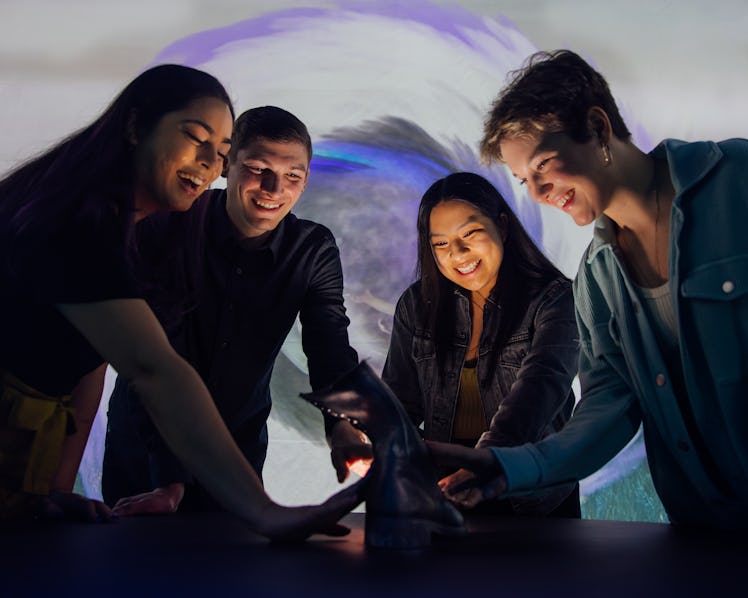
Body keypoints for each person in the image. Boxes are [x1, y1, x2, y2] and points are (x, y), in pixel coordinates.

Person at [0, 64, 362, 539]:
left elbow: (92, 367)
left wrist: (54, 491)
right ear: (134, 127)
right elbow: (156, 370)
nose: (208, 162)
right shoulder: (88, 227)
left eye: (219, 151)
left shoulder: (105, 220)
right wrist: (267, 511)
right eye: (196, 138)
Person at [431, 49, 748, 529]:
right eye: (523, 181)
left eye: (545, 166)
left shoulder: (738, 179)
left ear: (598, 129)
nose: (537, 194)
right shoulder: (597, 281)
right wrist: (510, 468)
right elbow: (608, 408)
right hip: (704, 532)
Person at [103, 105, 372, 514]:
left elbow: (329, 346)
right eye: (259, 168)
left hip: (236, 457)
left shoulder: (312, 250)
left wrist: (343, 427)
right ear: (228, 165)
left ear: (305, 181)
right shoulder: (169, 224)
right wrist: (170, 479)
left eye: (291, 176)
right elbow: (154, 361)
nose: (273, 187)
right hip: (143, 449)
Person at [382, 171, 580, 517]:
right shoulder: (416, 305)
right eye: (440, 244)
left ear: (502, 226)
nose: (457, 253)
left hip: (530, 492)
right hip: (446, 495)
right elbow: (400, 403)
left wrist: (486, 459)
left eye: (470, 234)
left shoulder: (555, 299)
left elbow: (541, 388)